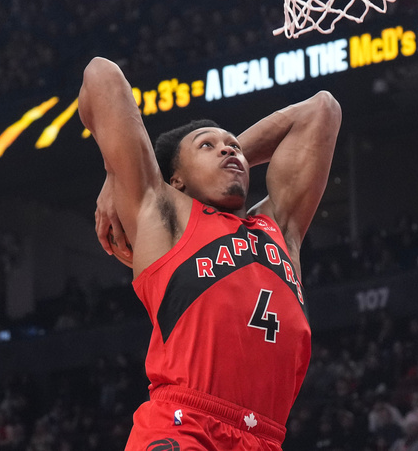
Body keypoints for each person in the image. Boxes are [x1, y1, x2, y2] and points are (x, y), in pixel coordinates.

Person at [79, 57, 342, 451]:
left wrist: (227, 156)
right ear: (176, 179)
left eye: (231, 145)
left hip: (264, 438)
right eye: (208, 145)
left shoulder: (280, 230)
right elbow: (100, 76)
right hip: (185, 426)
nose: (227, 149)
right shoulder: (162, 213)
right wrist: (115, 174)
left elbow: (322, 109)